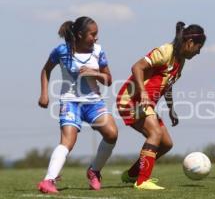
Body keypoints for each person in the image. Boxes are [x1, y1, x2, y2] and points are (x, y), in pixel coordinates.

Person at [116, 21, 206, 190]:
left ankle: (132, 174)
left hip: (145, 103)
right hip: (131, 99)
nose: (198, 52)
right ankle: (142, 181)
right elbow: (137, 67)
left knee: (166, 144)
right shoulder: (165, 51)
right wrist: (142, 92)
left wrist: (171, 109)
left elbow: (167, 85)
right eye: (198, 48)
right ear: (190, 43)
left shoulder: (180, 61)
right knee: (155, 133)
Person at [37, 16, 118, 193]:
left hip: (93, 102)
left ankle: (94, 171)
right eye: (93, 34)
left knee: (112, 134)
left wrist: (94, 73)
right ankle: (48, 181)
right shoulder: (61, 51)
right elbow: (46, 70)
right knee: (68, 141)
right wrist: (44, 93)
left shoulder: (98, 51)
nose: (96, 38)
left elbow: (109, 80)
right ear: (80, 35)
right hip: (70, 101)